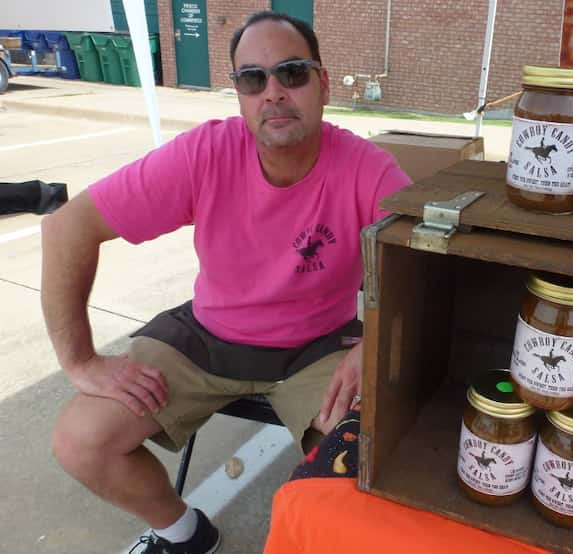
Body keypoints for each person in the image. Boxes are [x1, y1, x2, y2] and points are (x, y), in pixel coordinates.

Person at [42, 11, 410, 554]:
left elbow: (426, 268)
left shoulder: (367, 169)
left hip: (317, 348)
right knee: (80, 440)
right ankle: (183, 532)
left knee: (369, 463)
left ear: (323, 83)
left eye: (292, 73)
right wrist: (81, 361)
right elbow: (70, 226)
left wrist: (376, 342)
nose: (274, 93)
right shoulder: (204, 154)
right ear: (237, 92)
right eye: (253, 79)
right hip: (207, 338)